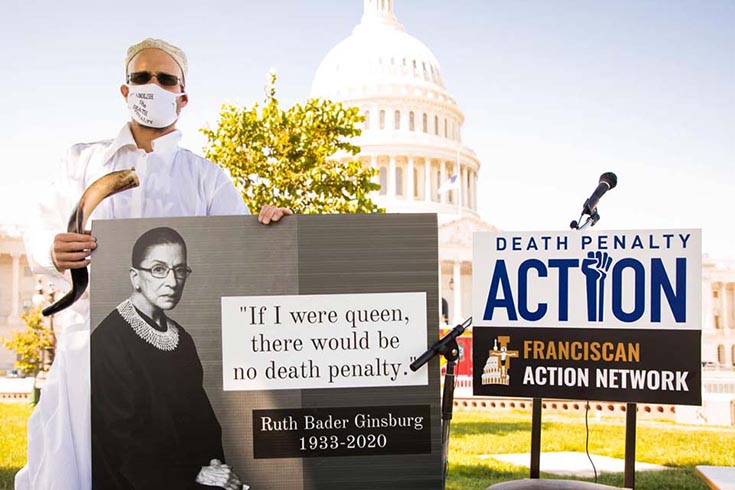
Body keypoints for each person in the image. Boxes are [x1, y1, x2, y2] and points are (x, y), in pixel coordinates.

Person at [18, 38, 289, 490]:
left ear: (182, 97)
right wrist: (53, 249)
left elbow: (241, 250)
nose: (152, 86)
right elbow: (42, 231)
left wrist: (271, 226)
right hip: (88, 348)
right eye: (142, 77)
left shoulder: (206, 178)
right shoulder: (83, 162)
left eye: (165, 79)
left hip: (170, 360)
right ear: (125, 90)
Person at [92, 227, 241, 489]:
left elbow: (202, 421)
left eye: (180, 270)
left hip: (186, 474)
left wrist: (214, 465)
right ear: (135, 277)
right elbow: (121, 437)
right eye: (159, 269)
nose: (172, 282)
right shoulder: (109, 340)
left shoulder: (181, 338)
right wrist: (194, 471)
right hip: (136, 479)